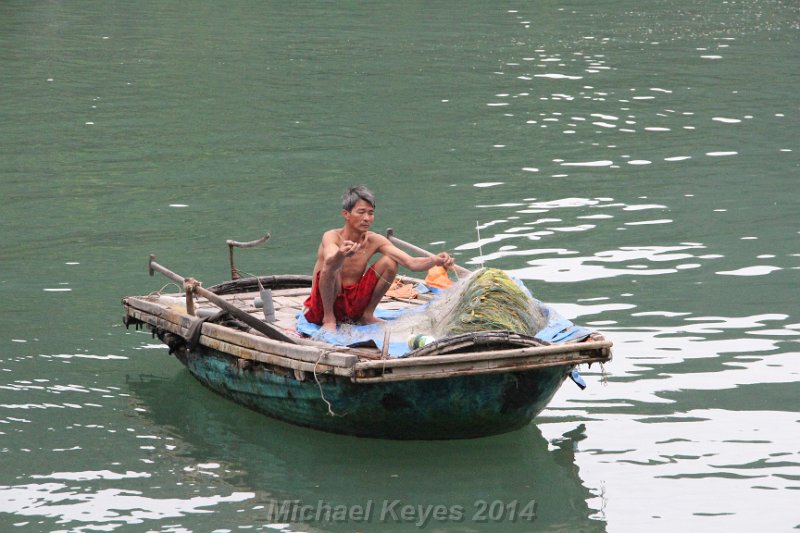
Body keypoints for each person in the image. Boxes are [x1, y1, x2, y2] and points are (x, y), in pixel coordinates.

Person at [304, 185, 455, 331]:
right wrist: (341, 254)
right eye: (361, 212)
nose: (366, 218)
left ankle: (367, 315)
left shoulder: (374, 240)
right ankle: (329, 319)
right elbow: (330, 259)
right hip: (324, 306)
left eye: (370, 213)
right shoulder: (331, 236)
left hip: (354, 304)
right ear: (346, 214)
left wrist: (435, 260)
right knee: (332, 266)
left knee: (390, 261)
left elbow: (411, 263)